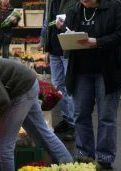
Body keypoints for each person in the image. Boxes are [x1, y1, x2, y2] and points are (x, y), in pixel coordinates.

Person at [61, 0, 121, 169]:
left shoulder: (114, 6)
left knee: (106, 115)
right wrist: (65, 31)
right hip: (80, 71)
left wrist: (97, 42)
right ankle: (84, 153)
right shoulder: (75, 9)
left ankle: (105, 157)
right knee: (80, 113)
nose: (84, 0)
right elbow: (67, 32)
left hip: (108, 71)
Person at [40, 0, 77, 140]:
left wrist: (64, 26)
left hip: (68, 50)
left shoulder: (74, 2)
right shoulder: (50, 2)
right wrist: (46, 47)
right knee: (57, 87)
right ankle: (67, 119)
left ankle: (74, 124)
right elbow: (47, 23)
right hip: (54, 50)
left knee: (70, 88)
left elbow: (76, 23)